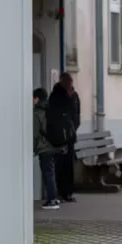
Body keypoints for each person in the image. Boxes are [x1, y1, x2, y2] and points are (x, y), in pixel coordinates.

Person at [49, 72, 80, 202]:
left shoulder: (74, 95)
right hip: (59, 137)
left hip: (70, 136)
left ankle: (68, 192)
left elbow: (76, 114)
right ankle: (59, 192)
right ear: (62, 82)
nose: (69, 84)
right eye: (67, 81)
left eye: (70, 81)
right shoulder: (57, 95)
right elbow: (54, 115)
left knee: (68, 166)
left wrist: (73, 129)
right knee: (59, 166)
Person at [33, 88, 60, 210]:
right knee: (52, 173)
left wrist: (33, 149)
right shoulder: (52, 108)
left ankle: (52, 200)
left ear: (37, 98)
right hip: (54, 145)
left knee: (47, 174)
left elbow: (35, 133)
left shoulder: (37, 112)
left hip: (44, 147)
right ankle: (54, 197)